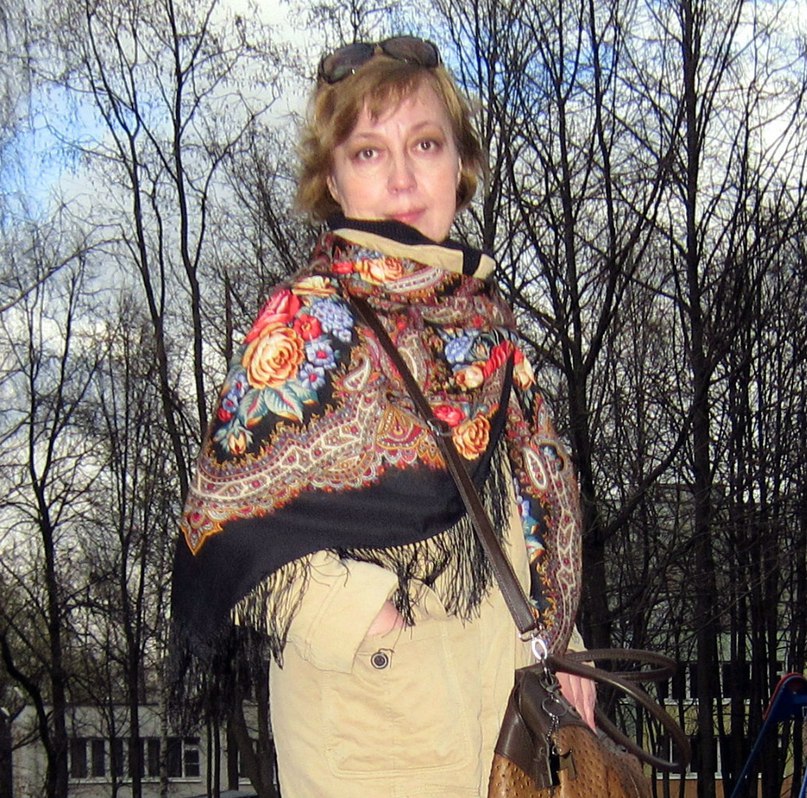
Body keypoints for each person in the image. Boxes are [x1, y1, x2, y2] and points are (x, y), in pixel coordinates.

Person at [171, 35, 595, 797]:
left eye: (424, 144)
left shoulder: (483, 326)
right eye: (368, 152)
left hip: (508, 721)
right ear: (332, 178)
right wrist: (368, 620)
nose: (402, 177)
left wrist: (562, 639)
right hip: (378, 730)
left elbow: (517, 515)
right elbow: (223, 526)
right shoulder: (308, 322)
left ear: (459, 164)